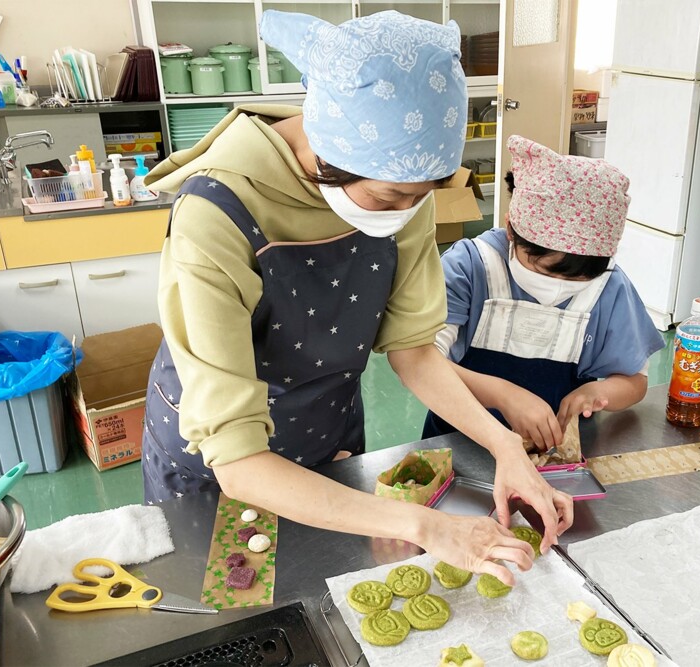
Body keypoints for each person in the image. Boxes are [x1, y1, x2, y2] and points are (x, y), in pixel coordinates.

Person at [140, 12, 572, 585]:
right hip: (222, 459)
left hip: (327, 429)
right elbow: (241, 463)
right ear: (327, 155)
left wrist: (504, 448)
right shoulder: (215, 214)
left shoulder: (402, 191)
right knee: (232, 606)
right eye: (391, 197)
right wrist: (426, 527)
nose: (408, 212)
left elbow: (415, 352)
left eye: (421, 197)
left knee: (329, 587)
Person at [422, 135, 665, 449]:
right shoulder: (470, 267)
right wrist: (505, 396)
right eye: (546, 270)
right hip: (459, 439)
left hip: (554, 449)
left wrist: (596, 394)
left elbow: (634, 380)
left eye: (581, 278)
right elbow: (424, 362)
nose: (561, 287)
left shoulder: (610, 286)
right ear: (512, 231)